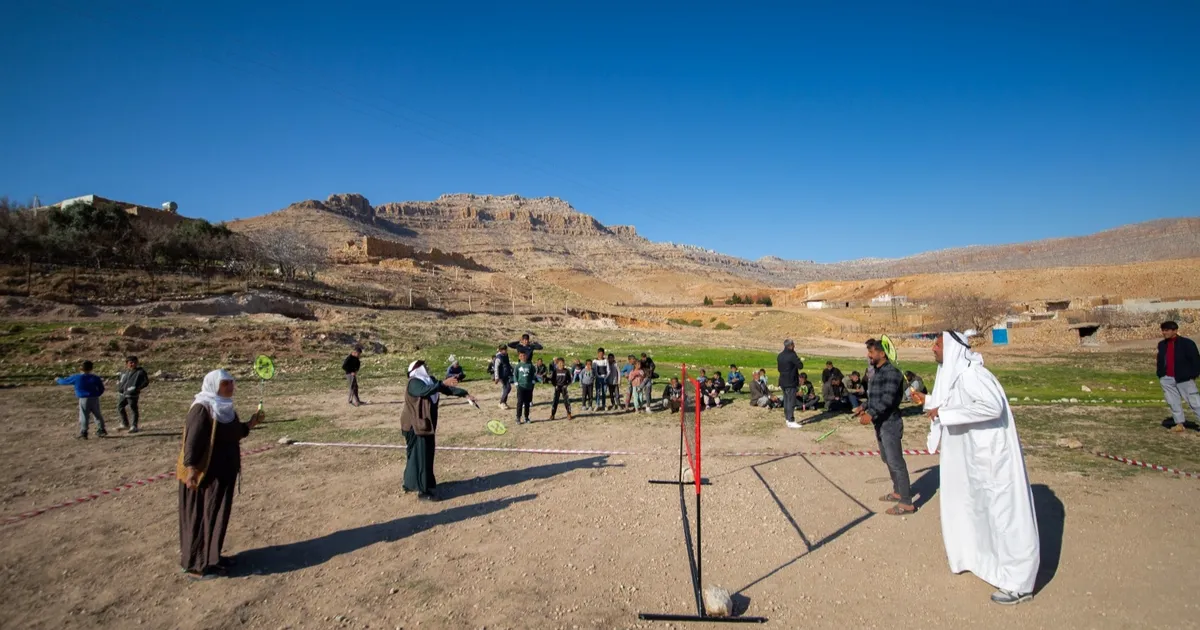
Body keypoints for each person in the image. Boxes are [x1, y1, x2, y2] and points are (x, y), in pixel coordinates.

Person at [918, 331, 1040, 606]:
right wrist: (929, 404)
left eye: (937, 344)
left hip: (992, 459)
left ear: (951, 348)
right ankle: (985, 564)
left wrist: (944, 414)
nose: (933, 348)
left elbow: (992, 407)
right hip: (975, 458)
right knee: (978, 511)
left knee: (1004, 516)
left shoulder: (973, 375)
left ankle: (1019, 583)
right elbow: (955, 405)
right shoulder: (960, 376)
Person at [177, 369, 264, 579]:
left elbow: (235, 433)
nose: (231, 387)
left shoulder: (225, 409)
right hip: (204, 476)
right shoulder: (202, 408)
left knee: (216, 516)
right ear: (214, 385)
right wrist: (191, 471)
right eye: (226, 384)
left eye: (231, 383)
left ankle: (213, 557)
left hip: (224, 474)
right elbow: (192, 441)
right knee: (201, 516)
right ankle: (197, 565)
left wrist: (251, 423)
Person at [400, 361, 474, 502]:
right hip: (414, 426)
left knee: (421, 455)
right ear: (417, 369)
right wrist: (442, 384)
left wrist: (465, 394)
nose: (427, 368)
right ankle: (423, 491)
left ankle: (411, 483)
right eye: (424, 366)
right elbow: (425, 390)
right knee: (420, 457)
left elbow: (446, 389)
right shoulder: (414, 382)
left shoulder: (430, 380)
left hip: (425, 425)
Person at [853, 339, 911, 515]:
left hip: (890, 424)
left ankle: (907, 503)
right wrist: (864, 407)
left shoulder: (893, 373)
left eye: (871, 352)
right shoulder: (877, 372)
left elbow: (888, 399)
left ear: (881, 354)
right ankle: (898, 491)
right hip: (880, 424)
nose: (868, 355)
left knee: (896, 462)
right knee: (887, 459)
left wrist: (871, 414)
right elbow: (875, 398)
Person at [1157, 321, 1200, 433]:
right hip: (1167, 378)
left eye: (1167, 330)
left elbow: (1195, 360)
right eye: (1163, 330)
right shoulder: (1162, 344)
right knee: (1173, 402)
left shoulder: (1187, 343)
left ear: (1175, 331)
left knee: (1195, 402)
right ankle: (1179, 424)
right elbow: (1161, 360)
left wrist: (1192, 374)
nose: (1164, 332)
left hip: (1184, 378)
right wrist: (1161, 374)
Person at [56, 360, 107, 439]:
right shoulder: (95, 378)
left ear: (81, 368)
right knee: (97, 414)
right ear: (91, 368)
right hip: (94, 398)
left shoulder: (77, 377)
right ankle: (101, 430)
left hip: (84, 398)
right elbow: (101, 388)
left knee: (84, 415)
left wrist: (58, 379)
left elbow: (65, 381)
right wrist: (97, 394)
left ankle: (84, 432)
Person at [116, 355, 149, 433]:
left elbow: (146, 382)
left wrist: (138, 388)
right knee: (120, 407)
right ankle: (125, 423)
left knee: (133, 409)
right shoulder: (124, 372)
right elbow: (120, 380)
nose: (133, 364)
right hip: (123, 394)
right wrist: (119, 387)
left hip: (132, 394)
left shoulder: (140, 372)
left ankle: (134, 426)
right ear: (127, 364)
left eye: (134, 362)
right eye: (131, 363)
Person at [777, 339, 804, 429]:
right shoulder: (792, 355)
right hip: (791, 381)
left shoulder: (780, 356)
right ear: (791, 346)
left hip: (782, 381)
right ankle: (791, 420)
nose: (794, 346)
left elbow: (779, 369)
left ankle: (787, 419)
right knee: (791, 401)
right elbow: (800, 366)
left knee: (786, 401)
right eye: (793, 345)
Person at [513, 351, 536, 424]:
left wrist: (533, 381)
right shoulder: (518, 366)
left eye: (524, 355)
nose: (523, 357)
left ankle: (526, 417)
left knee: (527, 403)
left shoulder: (530, 365)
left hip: (528, 387)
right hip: (520, 387)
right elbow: (515, 375)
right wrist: (516, 384)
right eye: (521, 356)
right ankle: (518, 417)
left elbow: (533, 374)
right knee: (520, 402)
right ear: (519, 357)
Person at [493, 345, 513, 410]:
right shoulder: (498, 358)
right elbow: (496, 368)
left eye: (506, 349)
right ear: (501, 350)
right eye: (504, 350)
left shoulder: (506, 355)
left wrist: (511, 370)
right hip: (501, 376)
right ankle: (501, 402)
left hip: (506, 374)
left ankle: (504, 402)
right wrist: (496, 377)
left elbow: (507, 364)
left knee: (506, 388)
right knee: (508, 388)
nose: (506, 351)